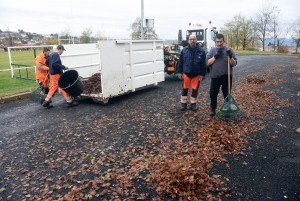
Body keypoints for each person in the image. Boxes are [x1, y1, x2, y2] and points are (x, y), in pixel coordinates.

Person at [206, 33, 237, 116]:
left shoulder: (229, 50)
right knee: (213, 94)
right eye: (217, 42)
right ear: (215, 42)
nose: (219, 43)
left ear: (224, 41)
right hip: (215, 76)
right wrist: (215, 56)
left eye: (221, 41)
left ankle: (227, 110)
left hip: (226, 76)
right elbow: (208, 63)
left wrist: (230, 57)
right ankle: (213, 109)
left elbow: (234, 64)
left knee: (227, 94)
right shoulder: (212, 50)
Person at [177, 35, 206, 111]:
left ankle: (193, 104)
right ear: (188, 40)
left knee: (195, 90)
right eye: (191, 39)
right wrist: (179, 72)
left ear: (196, 40)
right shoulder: (184, 50)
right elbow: (181, 62)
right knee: (184, 89)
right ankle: (183, 104)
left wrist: (203, 74)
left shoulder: (201, 51)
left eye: (194, 39)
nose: (192, 40)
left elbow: (203, 64)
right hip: (186, 73)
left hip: (196, 74)